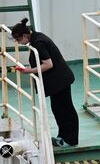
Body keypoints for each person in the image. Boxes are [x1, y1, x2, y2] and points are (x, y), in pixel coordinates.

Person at [12, 19, 78, 148]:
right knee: (58, 109)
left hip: (60, 80)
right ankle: (62, 136)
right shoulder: (36, 38)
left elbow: (48, 64)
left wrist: (28, 71)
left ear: (25, 36)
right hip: (57, 81)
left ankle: (70, 139)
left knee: (65, 109)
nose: (19, 43)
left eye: (19, 40)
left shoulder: (38, 43)